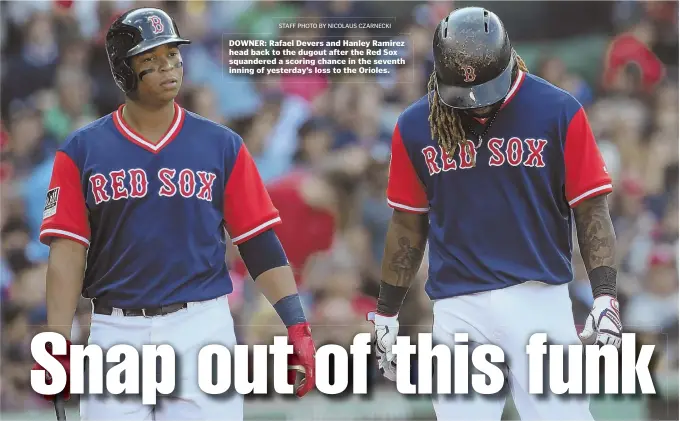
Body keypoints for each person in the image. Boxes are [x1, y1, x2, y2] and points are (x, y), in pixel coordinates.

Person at [31, 7, 316, 421]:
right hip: (116, 332)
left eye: (172, 55)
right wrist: (57, 342)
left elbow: (256, 240)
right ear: (124, 71)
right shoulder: (82, 150)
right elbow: (67, 253)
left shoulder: (221, 144)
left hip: (200, 327)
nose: (168, 67)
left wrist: (295, 323)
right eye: (151, 59)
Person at [367, 7, 622, 421]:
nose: (476, 104)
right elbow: (408, 222)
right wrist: (387, 311)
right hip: (457, 306)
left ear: (509, 59)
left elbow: (591, 209)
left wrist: (605, 295)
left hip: (540, 298)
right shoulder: (415, 124)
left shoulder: (558, 110)